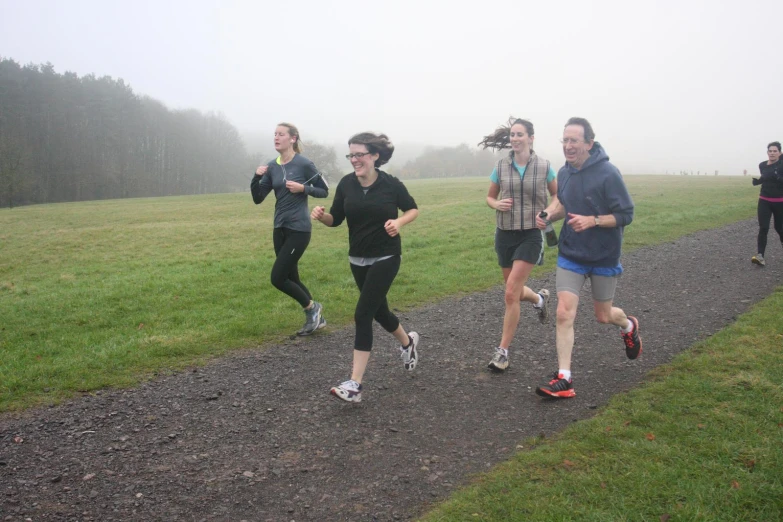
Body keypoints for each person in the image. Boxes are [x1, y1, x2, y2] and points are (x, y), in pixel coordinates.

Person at [534, 117, 642, 399]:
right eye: (564, 141)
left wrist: (593, 221)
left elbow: (626, 215)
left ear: (589, 144)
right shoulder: (565, 172)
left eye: (574, 141)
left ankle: (629, 326)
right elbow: (563, 204)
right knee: (563, 312)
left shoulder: (608, 173)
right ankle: (564, 378)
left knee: (603, 316)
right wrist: (548, 214)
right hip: (571, 253)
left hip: (604, 256)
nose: (568, 146)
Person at [311, 132, 419, 403]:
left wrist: (399, 223)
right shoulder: (347, 184)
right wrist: (322, 216)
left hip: (386, 256)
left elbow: (412, 209)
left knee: (363, 314)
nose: (354, 159)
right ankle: (408, 343)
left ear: (374, 156)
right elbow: (336, 219)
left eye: (359, 154)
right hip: (357, 258)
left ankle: (355, 384)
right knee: (379, 311)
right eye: (351, 154)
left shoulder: (390, 185)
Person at [478, 117, 558, 371]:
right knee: (513, 290)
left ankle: (502, 352)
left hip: (531, 234)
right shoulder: (501, 166)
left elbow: (557, 195)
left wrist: (548, 213)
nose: (514, 139)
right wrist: (497, 204)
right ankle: (539, 300)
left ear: (531, 138)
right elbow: (490, 197)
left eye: (519, 134)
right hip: (505, 233)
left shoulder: (544, 166)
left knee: (511, 292)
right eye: (512, 134)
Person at [251, 122, 329, 336]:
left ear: (292, 139)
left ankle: (313, 309)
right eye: (274, 134)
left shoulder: (304, 164)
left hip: (299, 229)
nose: (276, 137)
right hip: (280, 228)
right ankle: (317, 318)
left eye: (281, 134)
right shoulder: (272, 166)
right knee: (291, 278)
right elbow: (258, 198)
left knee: (277, 277)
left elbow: (324, 190)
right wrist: (256, 177)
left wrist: (303, 188)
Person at [751, 141, 783, 267]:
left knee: (779, 228)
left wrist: (779, 177)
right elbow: (766, 177)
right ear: (767, 152)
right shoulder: (762, 165)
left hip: (779, 202)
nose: (772, 153)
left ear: (779, 153)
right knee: (763, 227)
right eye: (770, 151)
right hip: (764, 200)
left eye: (775, 151)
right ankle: (760, 256)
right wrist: (758, 182)